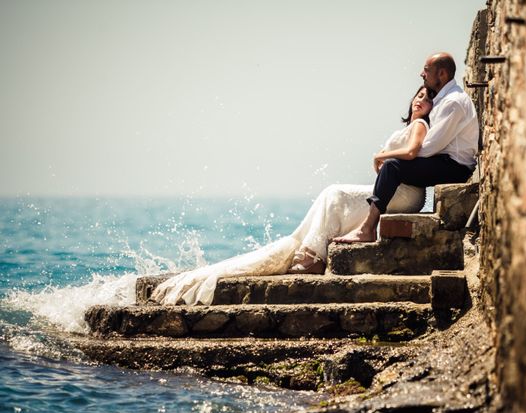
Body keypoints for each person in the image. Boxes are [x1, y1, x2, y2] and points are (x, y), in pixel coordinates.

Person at [150, 86, 434, 305]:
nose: (420, 100)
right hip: (398, 191)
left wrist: (380, 155)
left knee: (334, 193)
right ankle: (311, 254)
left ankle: (312, 257)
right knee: (331, 194)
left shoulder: (420, 126)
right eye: (417, 96)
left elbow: (410, 152)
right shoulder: (408, 126)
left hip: (406, 194)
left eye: (427, 98)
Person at [334, 52, 479, 244]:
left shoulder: (453, 102)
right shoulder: (447, 100)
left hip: (455, 167)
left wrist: (385, 156)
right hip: (448, 162)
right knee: (393, 165)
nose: (421, 74)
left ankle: (367, 229)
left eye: (426, 70)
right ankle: (367, 227)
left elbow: (427, 149)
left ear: (442, 74)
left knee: (392, 166)